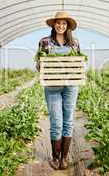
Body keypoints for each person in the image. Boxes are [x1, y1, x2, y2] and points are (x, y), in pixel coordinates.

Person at [35, 11, 81, 170]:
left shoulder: (74, 43)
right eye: (58, 23)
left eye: (64, 23)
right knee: (56, 122)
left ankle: (64, 158)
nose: (61, 26)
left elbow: (79, 63)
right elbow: (38, 65)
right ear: (54, 24)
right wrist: (49, 68)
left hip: (71, 86)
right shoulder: (45, 42)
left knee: (68, 121)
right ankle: (55, 157)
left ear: (68, 26)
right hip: (52, 86)